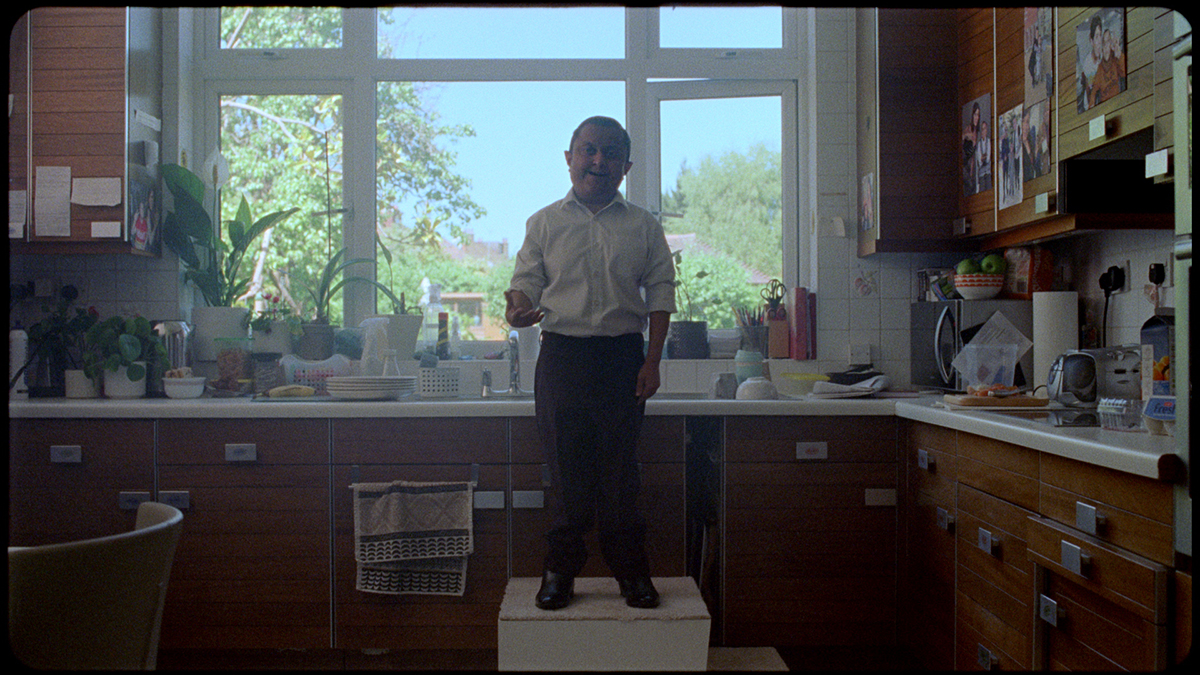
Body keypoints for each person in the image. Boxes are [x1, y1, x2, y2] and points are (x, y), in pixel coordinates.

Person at [506, 115, 676, 611]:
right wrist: (517, 311)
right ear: (569, 158)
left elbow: (660, 292)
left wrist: (652, 362)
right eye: (588, 150)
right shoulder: (544, 223)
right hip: (563, 357)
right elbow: (525, 283)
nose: (598, 161)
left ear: (626, 166)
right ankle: (559, 572)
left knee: (621, 475)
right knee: (566, 474)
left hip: (623, 358)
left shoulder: (643, 225)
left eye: (610, 152)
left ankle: (632, 572)